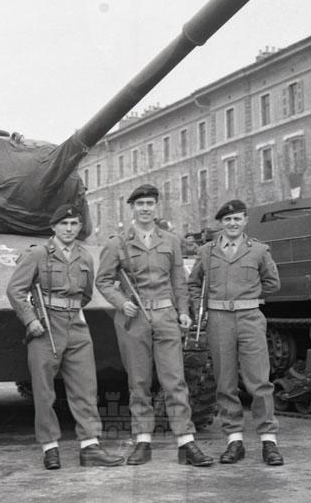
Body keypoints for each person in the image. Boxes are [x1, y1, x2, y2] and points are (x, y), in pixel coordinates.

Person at [95, 184, 213, 468]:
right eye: (140, 204)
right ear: (132, 208)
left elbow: (178, 281)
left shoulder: (170, 241)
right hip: (134, 318)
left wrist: (183, 312)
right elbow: (103, 281)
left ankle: (186, 442)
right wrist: (121, 302)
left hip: (166, 316)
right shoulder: (117, 244)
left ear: (156, 206)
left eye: (150, 203)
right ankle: (142, 441)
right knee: (139, 383)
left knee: (175, 381)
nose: (145, 208)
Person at [6, 204, 124, 470]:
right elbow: (15, 290)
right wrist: (31, 319)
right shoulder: (37, 254)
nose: (69, 229)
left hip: (77, 326)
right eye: (64, 224)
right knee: (44, 391)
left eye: (73, 224)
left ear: (79, 227)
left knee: (85, 388)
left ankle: (90, 446)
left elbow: (86, 294)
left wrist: (70, 310)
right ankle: (50, 447)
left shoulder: (85, 257)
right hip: (46, 326)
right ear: (54, 227)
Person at [187, 199, 283, 466]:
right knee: (225, 382)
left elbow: (272, 283)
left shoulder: (259, 250)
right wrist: (199, 307)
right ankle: (234, 440)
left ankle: (269, 442)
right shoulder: (206, 252)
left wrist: (248, 298)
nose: (232, 223)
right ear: (221, 223)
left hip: (250, 318)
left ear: (245, 221)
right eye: (227, 219)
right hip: (219, 320)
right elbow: (194, 284)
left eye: (237, 219)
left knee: (259, 381)